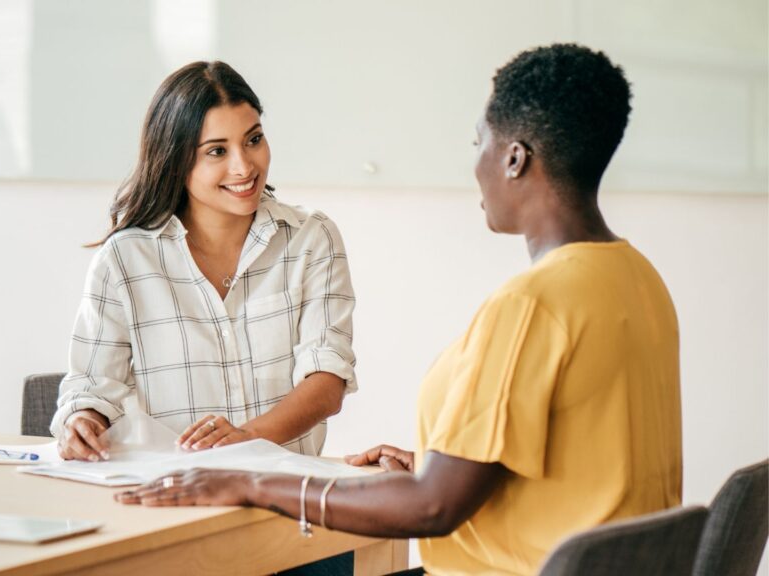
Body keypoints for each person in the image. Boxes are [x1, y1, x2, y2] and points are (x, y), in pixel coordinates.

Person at [114, 44, 683, 576]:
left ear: (514, 158)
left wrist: (252, 484)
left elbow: (432, 510)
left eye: (477, 141)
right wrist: (437, 467)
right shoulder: (637, 279)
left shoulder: (531, 307)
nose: (475, 164)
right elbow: (584, 469)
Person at [52, 61, 357, 463]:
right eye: (217, 150)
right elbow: (91, 386)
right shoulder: (125, 261)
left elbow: (326, 379)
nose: (244, 166)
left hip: (284, 493)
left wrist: (245, 438)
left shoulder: (310, 238)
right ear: (176, 160)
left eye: (253, 140)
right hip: (173, 493)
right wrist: (83, 421)